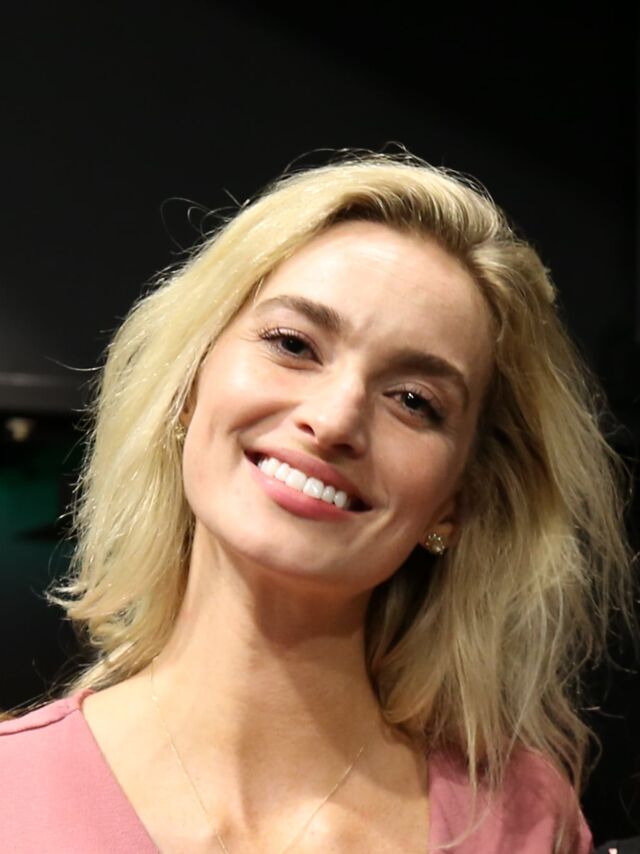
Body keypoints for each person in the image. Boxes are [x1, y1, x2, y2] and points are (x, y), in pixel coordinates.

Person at [0, 151, 633, 852]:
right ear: (189, 383)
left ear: (456, 501)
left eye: (414, 401)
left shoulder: (523, 823)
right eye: (293, 344)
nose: (334, 420)